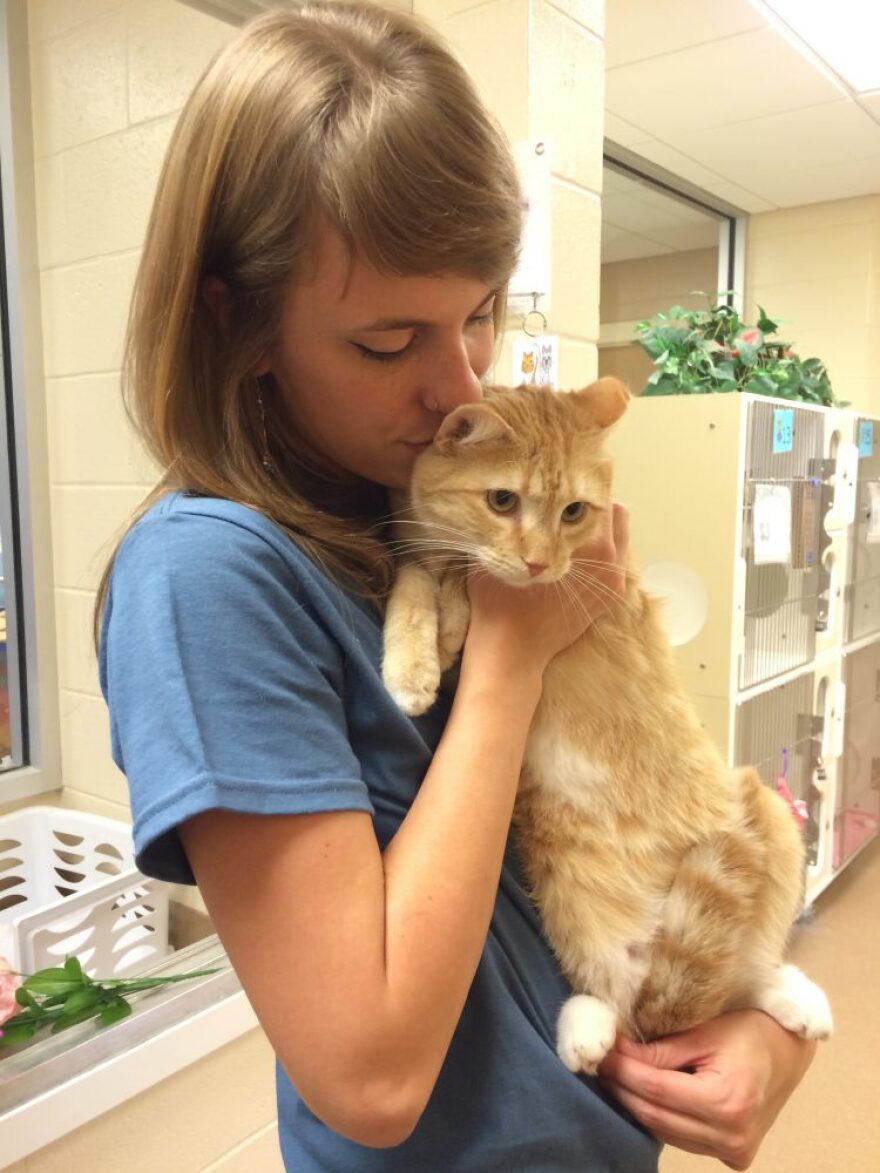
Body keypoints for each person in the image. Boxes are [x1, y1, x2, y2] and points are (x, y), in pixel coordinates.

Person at [97, 3, 816, 1169]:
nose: (453, 384)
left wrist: (757, 1020)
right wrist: (514, 656)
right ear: (240, 320)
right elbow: (370, 1077)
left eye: (480, 313)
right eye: (388, 343)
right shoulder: (209, 579)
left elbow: (603, 843)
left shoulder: (401, 513)